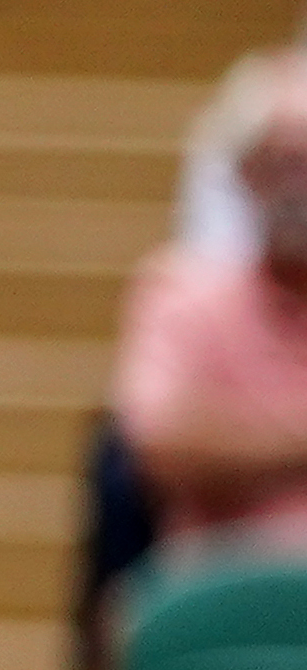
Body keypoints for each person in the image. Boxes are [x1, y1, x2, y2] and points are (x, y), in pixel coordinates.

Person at [113, 81, 307, 558]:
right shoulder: (184, 292)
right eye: (280, 162)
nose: (296, 184)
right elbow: (163, 447)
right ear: (244, 175)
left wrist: (245, 438)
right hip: (228, 580)